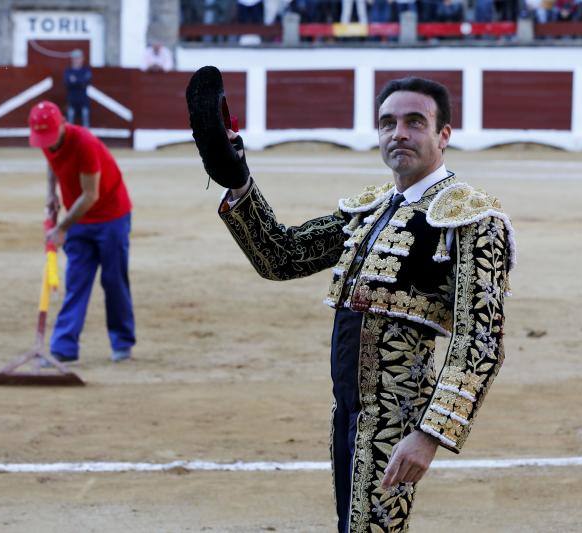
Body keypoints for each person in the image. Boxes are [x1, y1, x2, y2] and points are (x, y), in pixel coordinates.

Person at [187, 70, 515, 531]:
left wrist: (429, 434)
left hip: (396, 415)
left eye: (415, 122)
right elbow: (283, 255)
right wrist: (239, 180)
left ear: (444, 135)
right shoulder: (372, 208)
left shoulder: (472, 219)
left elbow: (481, 342)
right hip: (347, 409)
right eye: (387, 123)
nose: (398, 133)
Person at [28, 101, 135, 364]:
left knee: (113, 280)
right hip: (79, 220)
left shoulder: (84, 143)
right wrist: (51, 194)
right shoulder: (48, 139)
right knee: (76, 281)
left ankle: (122, 343)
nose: (48, 144)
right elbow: (52, 161)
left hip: (111, 216)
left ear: (63, 123)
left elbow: (90, 195)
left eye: (51, 137)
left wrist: (61, 227)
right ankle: (63, 349)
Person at [64, 49, 92, 128]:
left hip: (83, 100)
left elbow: (85, 82)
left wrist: (75, 80)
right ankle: (70, 138)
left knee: (85, 118)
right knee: (70, 121)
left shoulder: (86, 70)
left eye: (78, 58)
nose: (76, 60)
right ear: (72, 59)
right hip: (72, 100)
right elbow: (67, 83)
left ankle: (86, 139)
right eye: (75, 58)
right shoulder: (68, 71)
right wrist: (80, 81)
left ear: (82, 59)